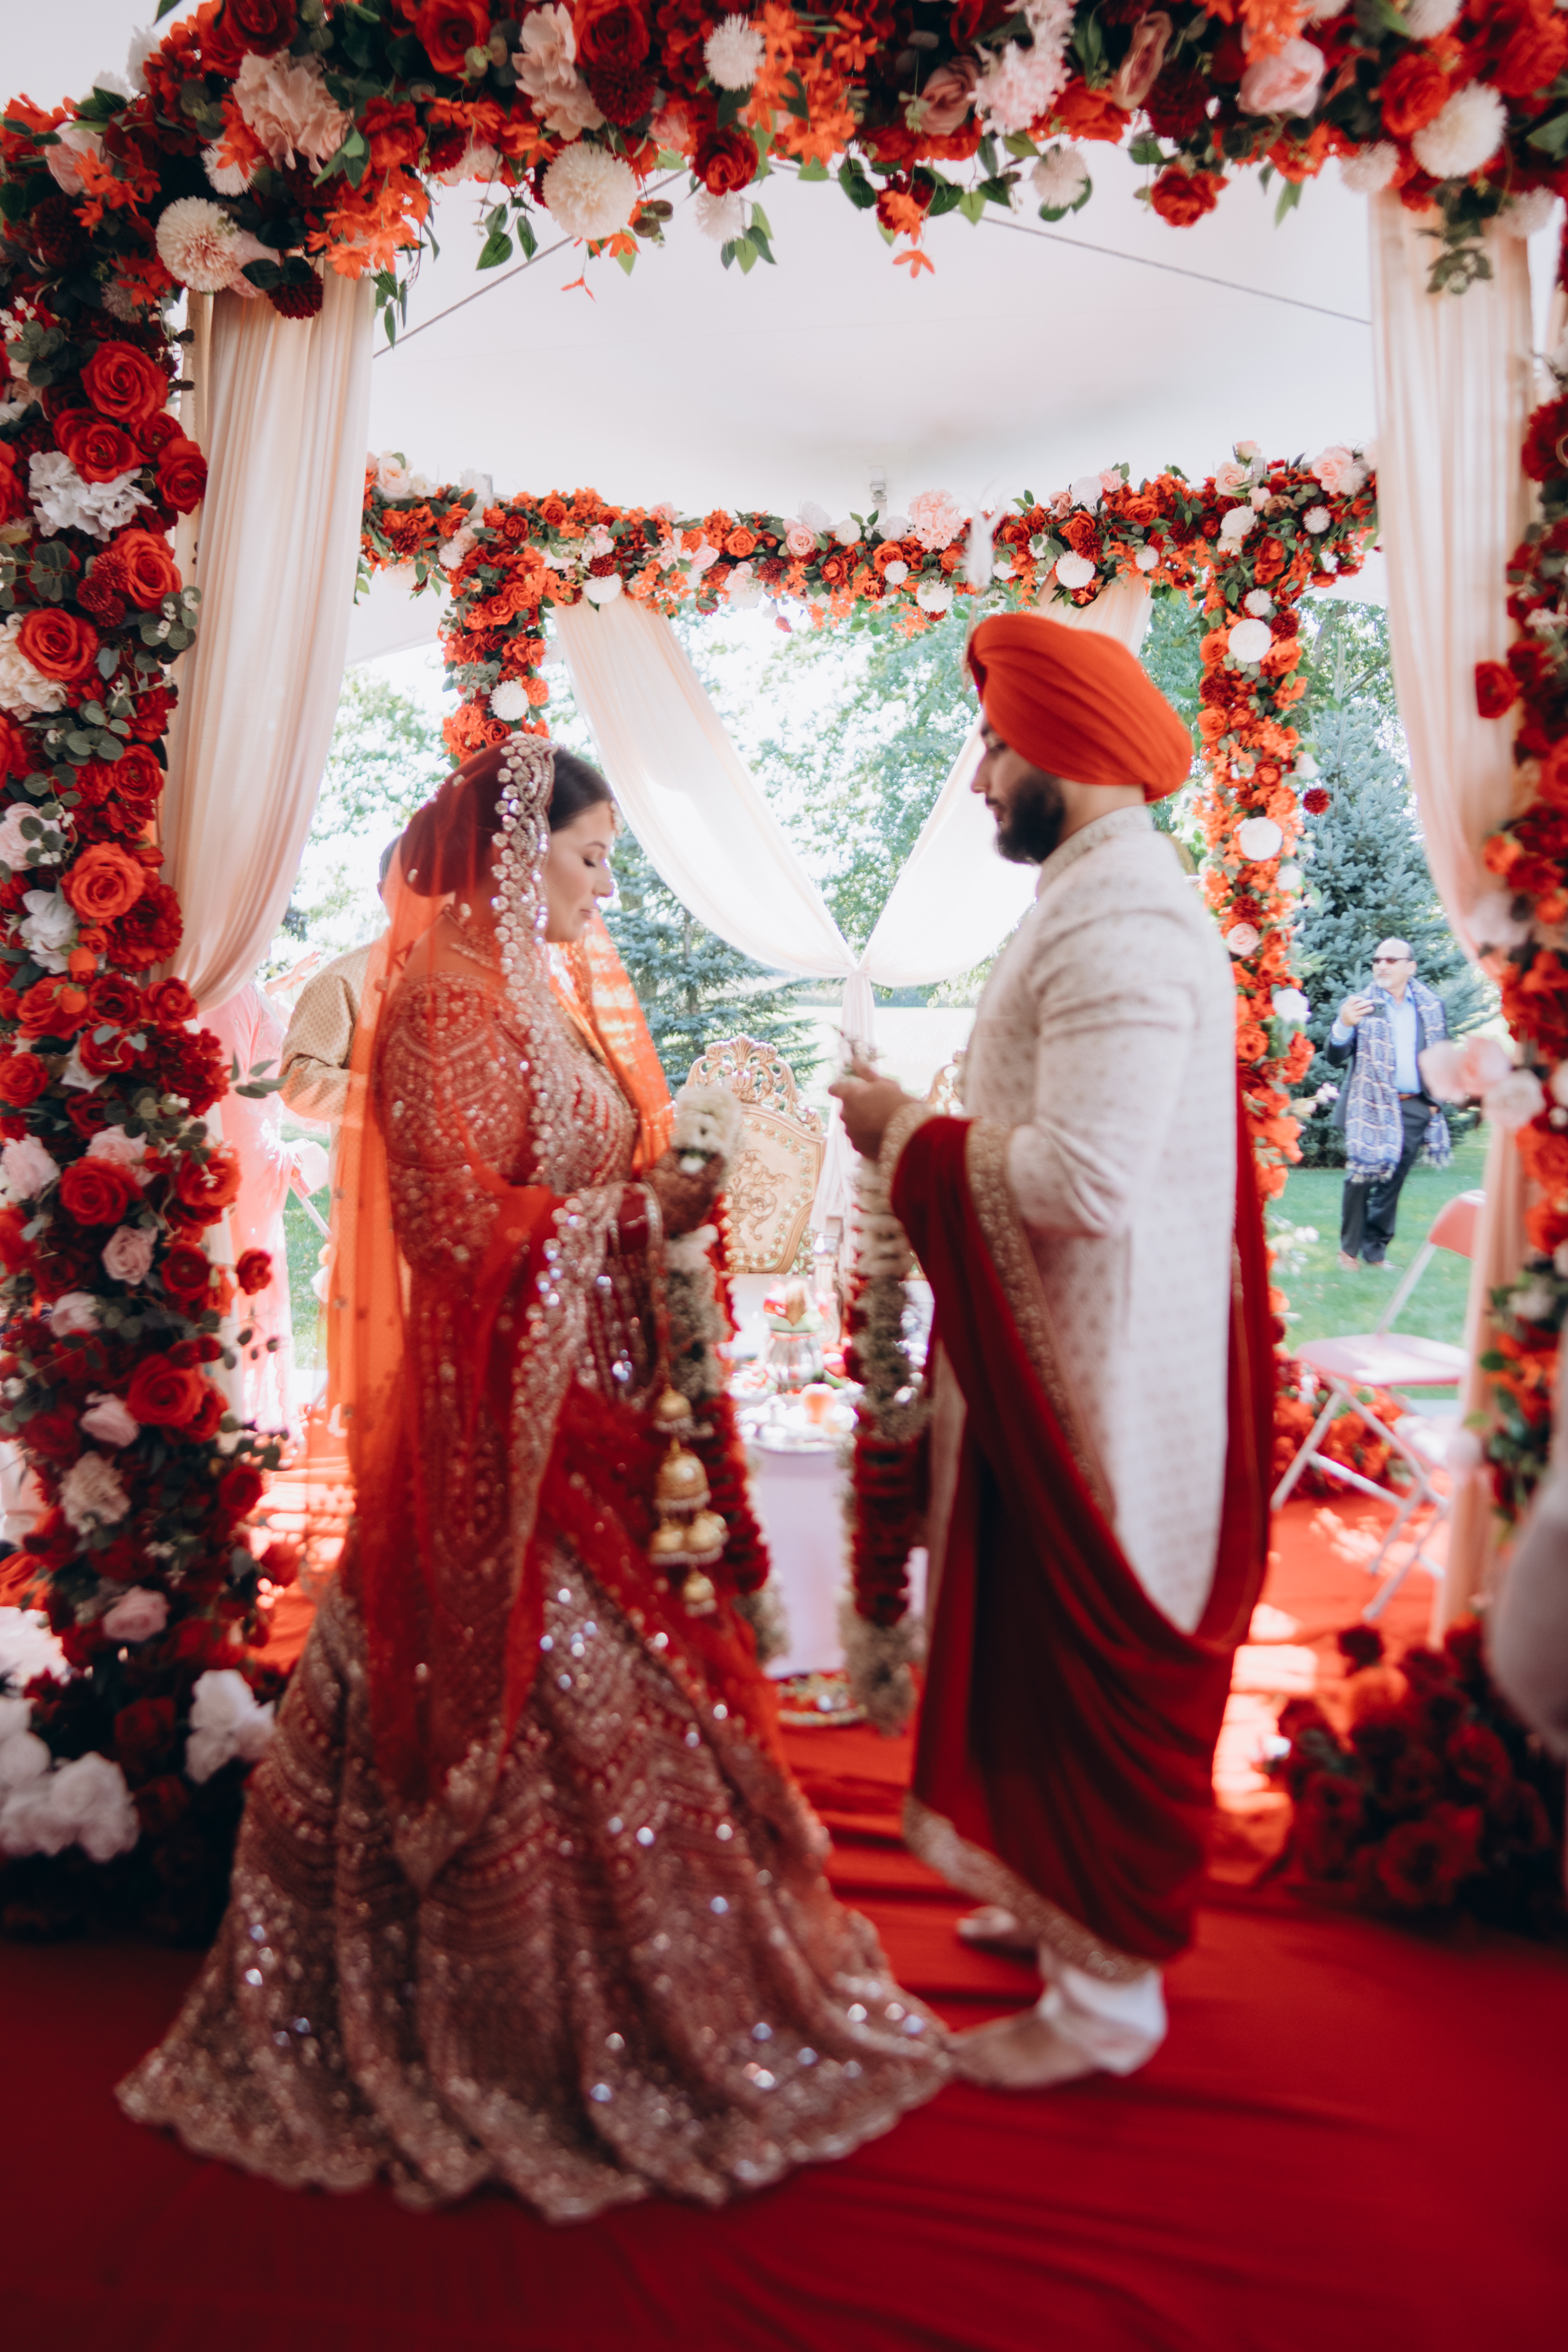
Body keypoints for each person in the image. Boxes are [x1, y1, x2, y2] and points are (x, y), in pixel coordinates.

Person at [120, 737, 946, 2212]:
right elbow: (450, 1222)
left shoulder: (531, 991)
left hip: (584, 1392)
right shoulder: (446, 1002)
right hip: (503, 1422)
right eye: (590, 856)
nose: (604, 887)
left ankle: (640, 1984)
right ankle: (516, 2017)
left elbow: (562, 1176)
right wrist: (630, 1220)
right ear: (513, 856)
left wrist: (654, 1207)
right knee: (549, 1676)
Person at [831, 611, 1273, 2092]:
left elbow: (1084, 1182)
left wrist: (904, 1134)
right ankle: (1056, 1901)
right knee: (1021, 1631)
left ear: (1062, 753)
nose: (977, 780)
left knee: (1073, 1647)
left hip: (1098, 1385)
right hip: (1059, 1355)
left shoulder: (1119, 918)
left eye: (992, 747)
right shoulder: (1092, 893)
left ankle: (1103, 2007)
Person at [1325, 938, 1450, 1270]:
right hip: (1369, 1108)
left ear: (1411, 967)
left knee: (1392, 1184)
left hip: (1414, 1108)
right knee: (1360, 1179)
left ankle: (1375, 1253)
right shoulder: (1360, 1005)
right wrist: (1343, 1025)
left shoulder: (1430, 1006)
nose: (1382, 965)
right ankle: (1348, 1252)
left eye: (1391, 960)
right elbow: (1335, 1055)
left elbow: (1443, 1056)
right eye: (1377, 960)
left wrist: (1433, 1105)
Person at [277, 834, 403, 1135]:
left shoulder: (475, 975)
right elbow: (297, 1081)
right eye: (414, 881)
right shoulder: (342, 980)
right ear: (384, 891)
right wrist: (399, 1101)